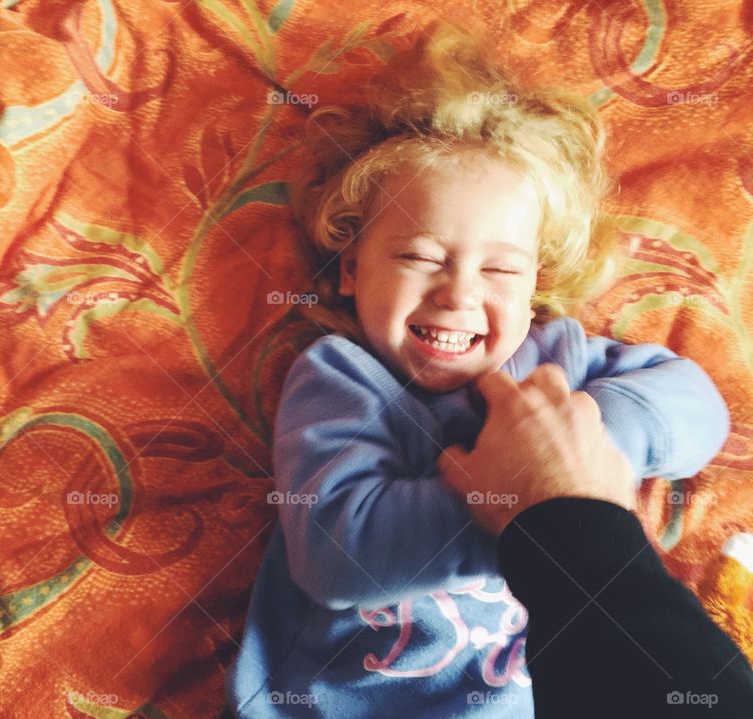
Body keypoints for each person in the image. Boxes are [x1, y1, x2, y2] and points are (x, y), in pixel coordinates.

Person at [224, 20, 731, 718]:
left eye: (498, 268)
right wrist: (525, 500)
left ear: (536, 285)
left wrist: (598, 434)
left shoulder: (561, 359)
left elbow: (700, 404)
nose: (459, 293)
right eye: (420, 257)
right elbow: (337, 553)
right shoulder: (342, 379)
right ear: (350, 268)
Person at [438, 366, 753, 718]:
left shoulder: (553, 358)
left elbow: (704, 409)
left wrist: (600, 446)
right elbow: (367, 539)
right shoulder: (366, 383)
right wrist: (547, 494)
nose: (460, 305)